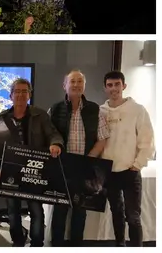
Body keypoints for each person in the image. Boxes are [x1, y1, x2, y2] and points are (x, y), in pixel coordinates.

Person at [0, 78, 64, 247]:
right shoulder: (2, 118)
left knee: (36, 210)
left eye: (24, 91)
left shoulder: (40, 115)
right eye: (17, 91)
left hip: (35, 172)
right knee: (13, 212)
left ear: (29, 94)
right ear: (10, 95)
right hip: (10, 173)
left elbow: (53, 134)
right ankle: (18, 242)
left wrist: (55, 144)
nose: (20, 95)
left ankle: (37, 244)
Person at [48, 70, 110, 247]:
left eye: (80, 82)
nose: (76, 85)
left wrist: (89, 160)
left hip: (85, 168)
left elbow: (102, 138)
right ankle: (57, 247)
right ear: (64, 85)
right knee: (59, 211)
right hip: (61, 168)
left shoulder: (95, 110)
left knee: (80, 211)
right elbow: (48, 135)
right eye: (72, 81)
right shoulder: (55, 109)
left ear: (84, 86)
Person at [100, 71, 155, 247]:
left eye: (117, 84)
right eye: (110, 85)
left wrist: (138, 164)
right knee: (116, 213)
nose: (114, 88)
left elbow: (147, 140)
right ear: (105, 88)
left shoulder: (137, 110)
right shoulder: (101, 111)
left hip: (130, 171)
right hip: (109, 172)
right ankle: (120, 246)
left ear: (124, 86)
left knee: (133, 216)